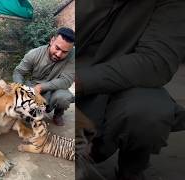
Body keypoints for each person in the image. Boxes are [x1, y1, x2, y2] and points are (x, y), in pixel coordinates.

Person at [77, 0, 185, 180]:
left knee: (149, 110)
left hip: (119, 87)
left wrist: (78, 82)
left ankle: (132, 170)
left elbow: (156, 62)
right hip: (65, 82)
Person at [13, 27, 75, 126]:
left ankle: (58, 114)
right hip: (34, 85)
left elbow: (66, 81)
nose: (59, 54)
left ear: (70, 49)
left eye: (65, 52)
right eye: (57, 48)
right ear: (52, 41)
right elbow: (18, 72)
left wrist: (42, 87)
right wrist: (21, 90)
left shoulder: (73, 56)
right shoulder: (34, 53)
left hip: (56, 88)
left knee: (64, 97)